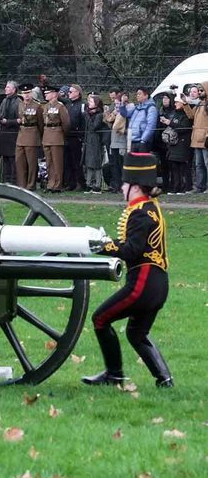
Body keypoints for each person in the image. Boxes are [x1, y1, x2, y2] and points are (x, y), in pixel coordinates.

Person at [83, 151, 172, 388]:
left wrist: (102, 246)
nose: (122, 188)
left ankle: (114, 375)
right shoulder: (151, 207)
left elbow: (131, 250)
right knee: (136, 333)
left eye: (124, 184)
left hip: (143, 283)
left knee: (100, 318)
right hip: (158, 283)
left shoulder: (141, 213)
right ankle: (165, 379)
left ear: (134, 187)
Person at [41, 86, 70, 193]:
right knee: (49, 162)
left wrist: (61, 133)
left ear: (54, 94)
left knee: (57, 162)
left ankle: (57, 185)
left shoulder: (60, 106)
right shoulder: (45, 106)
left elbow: (66, 123)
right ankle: (50, 183)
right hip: (46, 135)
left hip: (57, 134)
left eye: (47, 93)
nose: (45, 94)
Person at [14, 83, 43, 191]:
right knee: (19, 161)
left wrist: (39, 136)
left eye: (28, 93)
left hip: (32, 135)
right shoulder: (20, 104)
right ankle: (22, 185)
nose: (26, 95)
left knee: (32, 163)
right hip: (21, 135)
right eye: (24, 93)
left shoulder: (37, 106)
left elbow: (40, 123)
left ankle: (31, 185)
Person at [163, 94, 193, 195]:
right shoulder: (176, 114)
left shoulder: (186, 115)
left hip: (183, 144)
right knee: (174, 167)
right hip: (174, 145)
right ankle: (175, 187)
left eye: (177, 102)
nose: (175, 104)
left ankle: (184, 188)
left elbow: (183, 128)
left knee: (182, 168)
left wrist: (170, 123)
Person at [181, 80, 208, 193]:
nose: (199, 92)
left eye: (201, 90)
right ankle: (200, 187)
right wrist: (185, 103)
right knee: (199, 165)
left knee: (207, 164)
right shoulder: (199, 104)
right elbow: (191, 115)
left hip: (206, 139)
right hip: (196, 139)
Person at [81, 94, 109, 193]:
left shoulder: (99, 115)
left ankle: (97, 184)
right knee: (88, 163)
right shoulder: (89, 113)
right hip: (88, 141)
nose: (89, 103)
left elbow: (93, 127)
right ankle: (88, 183)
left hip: (96, 141)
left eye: (91, 101)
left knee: (96, 163)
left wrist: (87, 116)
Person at [0, 80, 21, 184]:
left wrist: (8, 122)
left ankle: (13, 179)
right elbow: (0, 113)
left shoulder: (18, 102)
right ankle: (5, 179)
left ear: (14, 89)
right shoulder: (4, 101)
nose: (5, 89)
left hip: (13, 133)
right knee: (5, 158)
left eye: (8, 87)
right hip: (4, 133)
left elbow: (20, 119)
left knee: (13, 158)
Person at [118, 87, 158, 153]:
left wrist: (143, 140)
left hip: (142, 142)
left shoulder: (151, 108)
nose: (137, 96)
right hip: (133, 140)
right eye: (137, 94)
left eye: (139, 94)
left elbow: (151, 125)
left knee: (141, 162)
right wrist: (122, 103)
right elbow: (125, 114)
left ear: (146, 95)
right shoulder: (137, 107)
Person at [103, 92, 128, 193]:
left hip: (121, 142)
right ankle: (116, 185)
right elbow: (109, 124)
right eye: (116, 104)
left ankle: (123, 185)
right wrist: (107, 115)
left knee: (121, 164)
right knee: (114, 165)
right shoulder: (114, 113)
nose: (116, 106)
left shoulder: (126, 111)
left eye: (118, 103)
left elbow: (117, 126)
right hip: (113, 141)